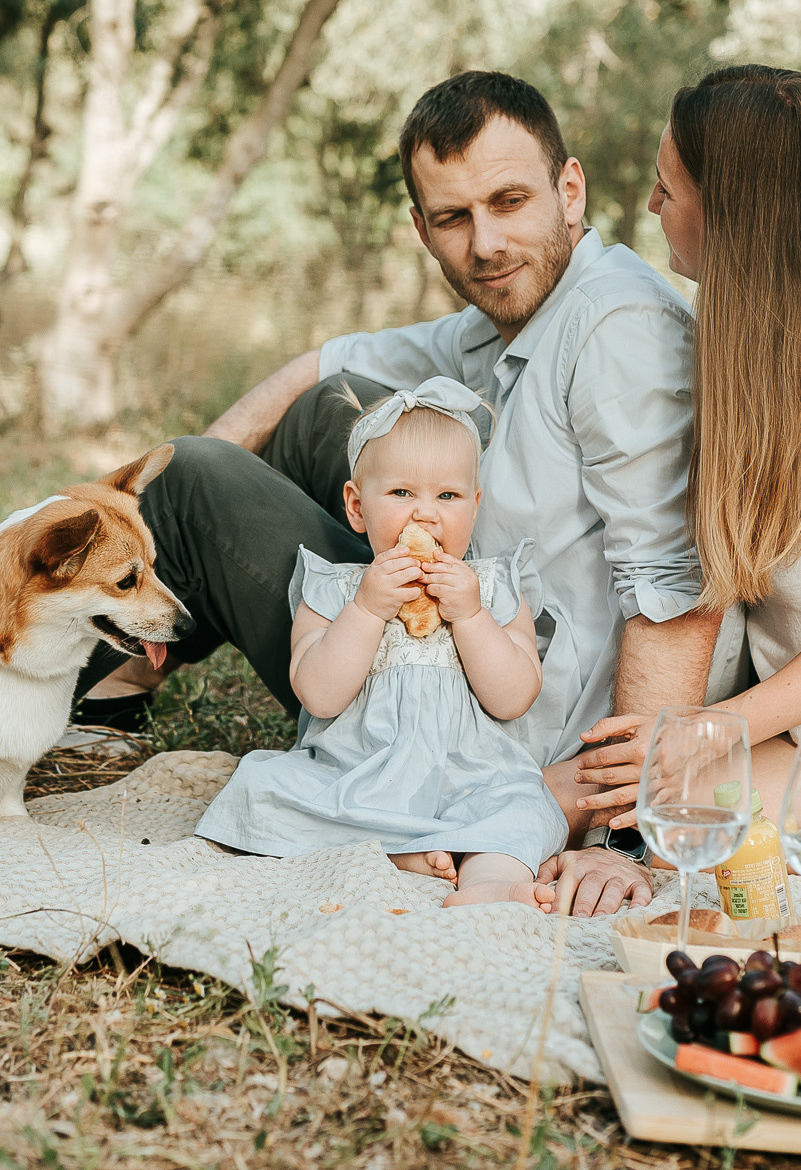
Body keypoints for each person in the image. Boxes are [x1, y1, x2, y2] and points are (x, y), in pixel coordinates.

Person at [76, 70, 738, 915]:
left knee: (199, 478)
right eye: (454, 218)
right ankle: (127, 647)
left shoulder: (616, 330)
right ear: (419, 228)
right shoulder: (500, 317)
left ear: (569, 190)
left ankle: (74, 686)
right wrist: (137, 531)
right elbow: (324, 363)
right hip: (411, 640)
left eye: (508, 202)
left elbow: (673, 588)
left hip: (503, 715)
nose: (486, 245)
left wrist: (619, 826)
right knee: (323, 410)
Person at [195, 378, 569, 907]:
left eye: (448, 495)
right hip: (357, 777)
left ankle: (489, 881)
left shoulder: (493, 589)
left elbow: (512, 697)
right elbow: (320, 695)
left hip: (472, 779)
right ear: (356, 506)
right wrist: (368, 609)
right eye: (401, 493)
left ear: (475, 505)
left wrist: (470, 616)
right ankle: (399, 853)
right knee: (261, 791)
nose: (425, 514)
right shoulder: (335, 590)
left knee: (526, 807)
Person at [567, 64, 801, 833]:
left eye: (668, 188)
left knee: (678, 834)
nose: (649, 205)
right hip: (777, 721)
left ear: (729, 214)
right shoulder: (732, 362)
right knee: (663, 821)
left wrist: (705, 731)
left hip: (768, 717)